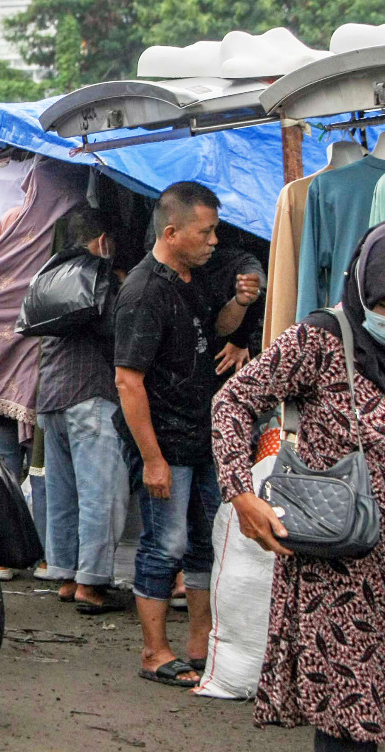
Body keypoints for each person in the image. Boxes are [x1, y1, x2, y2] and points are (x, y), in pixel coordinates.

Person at [212, 220, 385, 751]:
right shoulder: (323, 339)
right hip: (342, 574)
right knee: (348, 724)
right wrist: (241, 494)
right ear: (362, 289)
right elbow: (232, 402)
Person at [114, 181, 261, 687]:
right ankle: (154, 651)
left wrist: (240, 305)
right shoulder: (143, 291)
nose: (215, 240)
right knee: (164, 545)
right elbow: (127, 381)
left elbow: (218, 332)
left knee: (204, 542)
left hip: (202, 435)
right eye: (207, 231)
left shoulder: (191, 276)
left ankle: (200, 645)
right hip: (165, 442)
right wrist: (152, 458)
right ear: (172, 232)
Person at [35, 207, 130, 614]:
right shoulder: (98, 274)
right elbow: (114, 331)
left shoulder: (48, 274)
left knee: (64, 494)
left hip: (52, 396)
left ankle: (69, 575)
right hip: (90, 392)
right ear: (101, 239)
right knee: (100, 493)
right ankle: (91, 585)